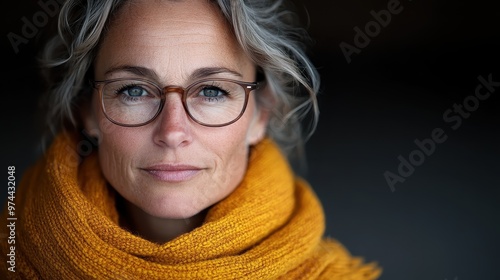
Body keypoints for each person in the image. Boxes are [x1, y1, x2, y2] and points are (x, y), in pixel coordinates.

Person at [1, 0, 382, 278]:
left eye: (212, 90)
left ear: (260, 115)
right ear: (87, 112)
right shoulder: (12, 256)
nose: (172, 133)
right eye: (134, 90)